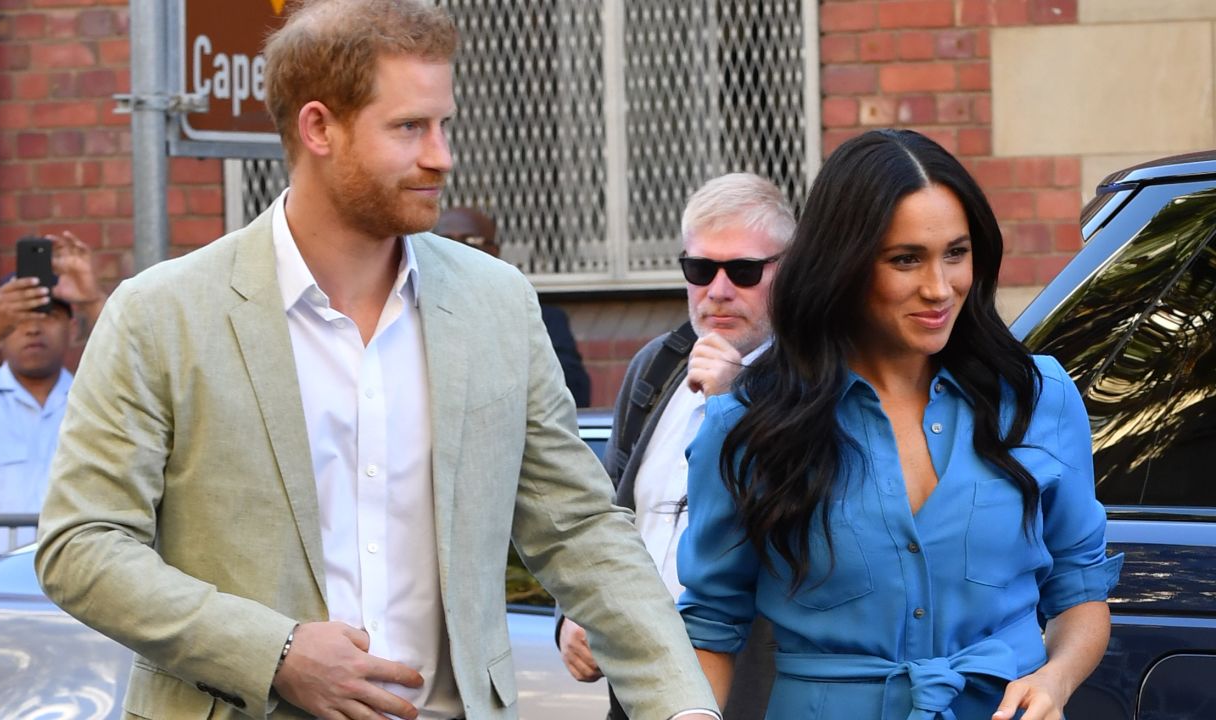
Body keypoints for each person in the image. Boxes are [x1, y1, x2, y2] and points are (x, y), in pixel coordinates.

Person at [34, 2, 718, 719]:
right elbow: (83, 544)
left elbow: (577, 526)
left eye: (443, 124)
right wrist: (274, 651)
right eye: (409, 128)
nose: (441, 155)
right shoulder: (162, 313)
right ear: (318, 127)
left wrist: (680, 705)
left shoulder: (497, 305)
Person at [677, 129, 1124, 720]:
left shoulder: (1037, 397)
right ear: (845, 265)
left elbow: (1081, 596)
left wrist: (1055, 680)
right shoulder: (746, 424)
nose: (940, 288)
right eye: (905, 259)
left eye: (956, 254)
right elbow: (711, 622)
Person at [555, 173, 790, 719]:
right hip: (642, 691)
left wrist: (735, 401)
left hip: (752, 696)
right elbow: (604, 516)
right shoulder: (657, 365)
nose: (719, 290)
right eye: (701, 269)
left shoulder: (817, 380)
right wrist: (577, 614)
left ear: (789, 271)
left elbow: (799, 528)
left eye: (745, 271)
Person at [0, 232, 104, 566]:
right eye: (19, 319)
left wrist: (93, 301)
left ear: (72, 329)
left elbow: (149, 382)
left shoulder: (97, 400)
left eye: (47, 315)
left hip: (79, 592)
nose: (32, 329)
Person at [433, 206, 592, 406]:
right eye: (445, 241)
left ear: (494, 251)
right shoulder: (409, 312)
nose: (456, 250)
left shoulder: (540, 318)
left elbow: (574, 394)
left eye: (471, 242)